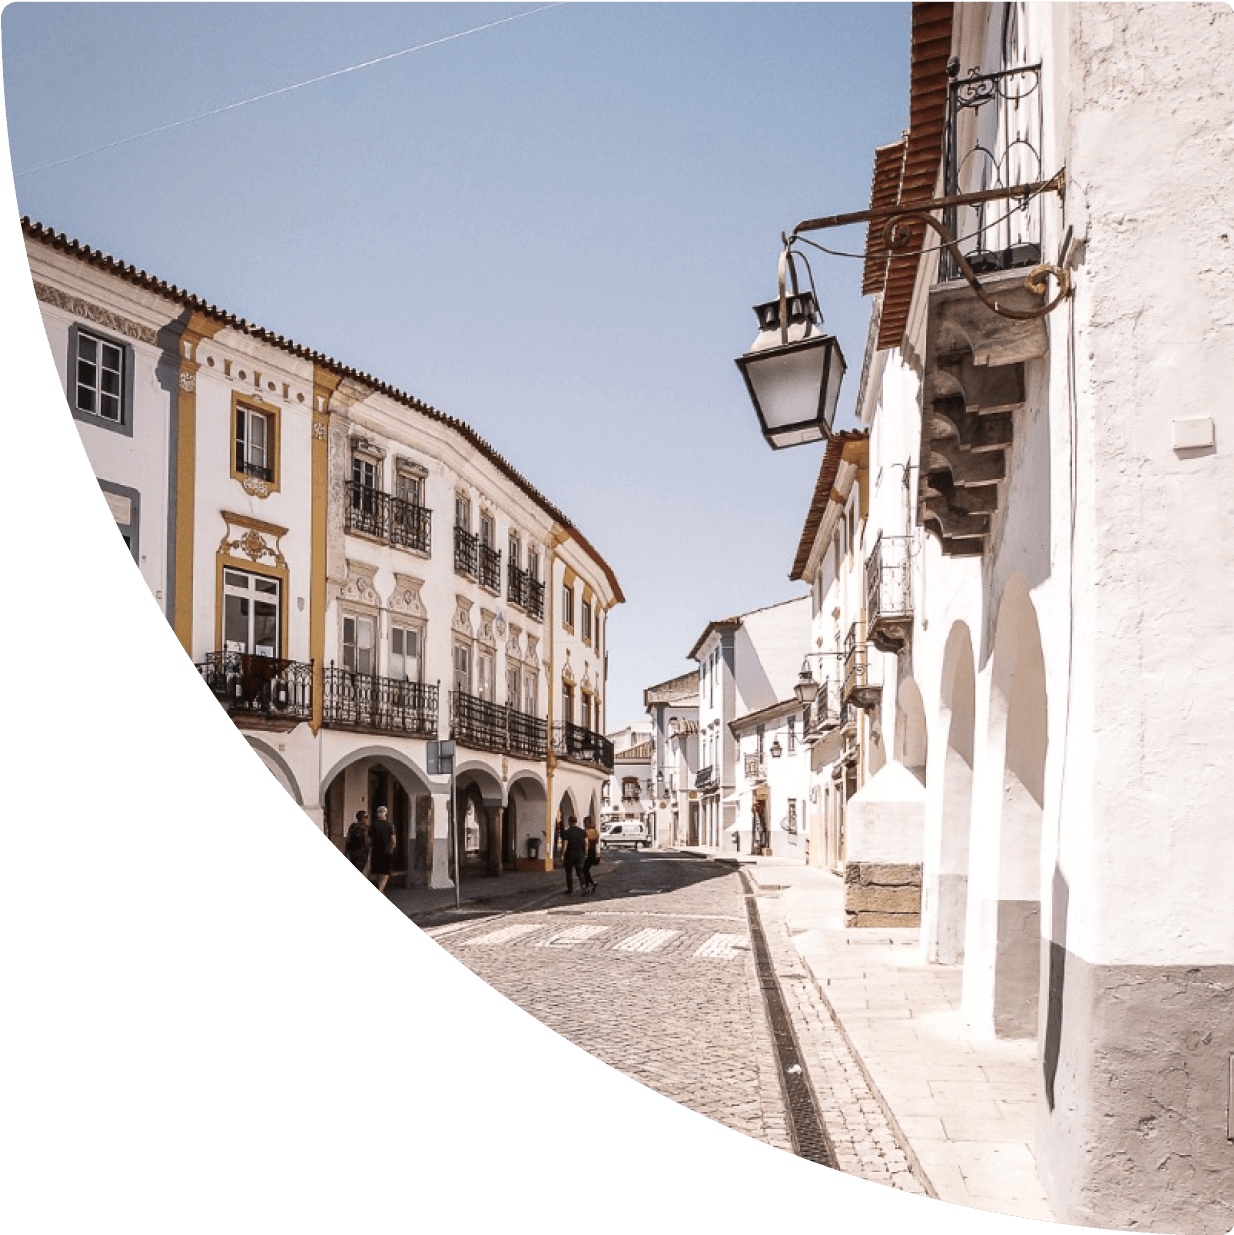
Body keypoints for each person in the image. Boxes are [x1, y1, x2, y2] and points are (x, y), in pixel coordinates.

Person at [369, 805, 396, 894]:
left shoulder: (373, 825)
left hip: (375, 851)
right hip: (386, 851)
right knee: (385, 872)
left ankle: (380, 887)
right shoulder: (390, 825)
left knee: (377, 871)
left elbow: (369, 839)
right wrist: (392, 847)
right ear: (386, 814)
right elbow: (393, 839)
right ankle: (380, 889)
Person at [561, 814, 587, 895]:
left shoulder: (567, 832)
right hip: (579, 854)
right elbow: (586, 843)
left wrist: (562, 854)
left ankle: (570, 889)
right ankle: (583, 885)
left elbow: (565, 844)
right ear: (576, 822)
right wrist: (585, 853)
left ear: (569, 822)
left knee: (569, 872)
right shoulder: (582, 832)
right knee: (580, 872)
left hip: (569, 855)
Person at [345, 809, 370, 874]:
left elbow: (348, 839)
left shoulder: (352, 826)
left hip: (352, 852)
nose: (368, 819)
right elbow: (366, 841)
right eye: (366, 817)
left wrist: (346, 851)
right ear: (363, 818)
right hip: (362, 852)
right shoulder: (365, 828)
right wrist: (368, 851)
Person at [581, 815, 600, 894]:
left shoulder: (587, 832)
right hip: (593, 852)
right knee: (586, 870)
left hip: (588, 853)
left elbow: (586, 843)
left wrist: (585, 853)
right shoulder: (595, 831)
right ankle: (590, 884)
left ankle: (590, 884)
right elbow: (597, 842)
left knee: (584, 870)